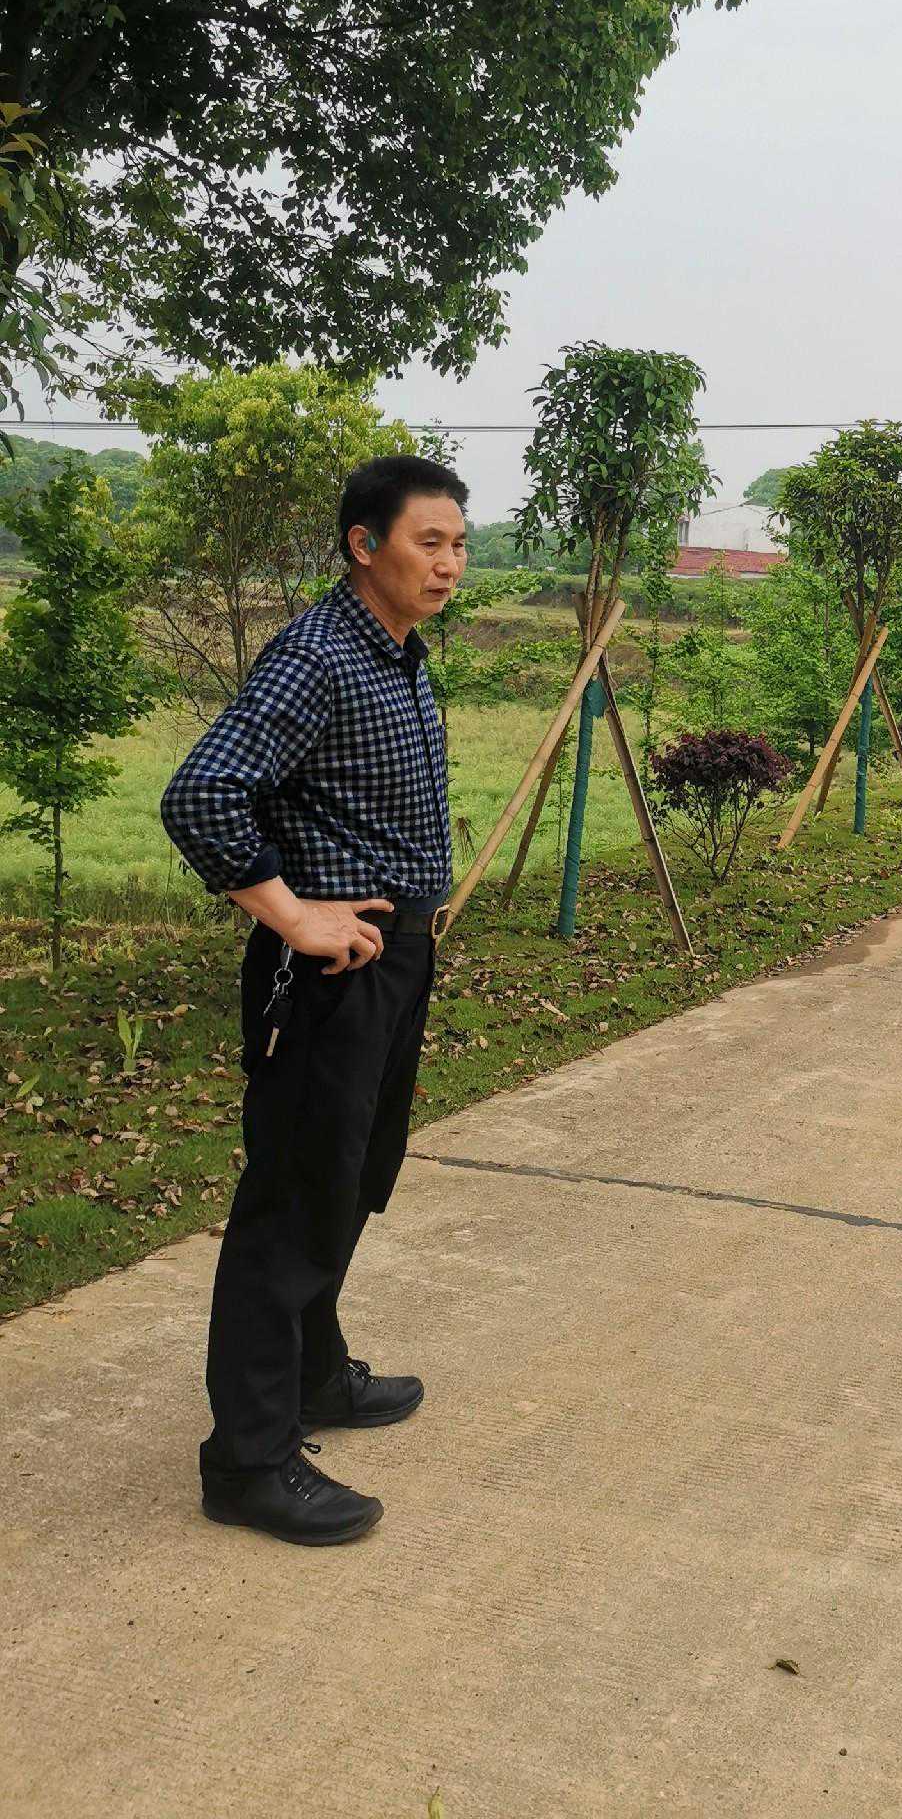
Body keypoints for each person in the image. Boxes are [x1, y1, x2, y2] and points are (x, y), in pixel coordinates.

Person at [160, 454, 468, 1544]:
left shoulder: (398, 653)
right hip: (330, 978)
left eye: (458, 544)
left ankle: (317, 1372)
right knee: (292, 1202)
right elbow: (202, 793)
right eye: (428, 541)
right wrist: (293, 916)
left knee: (349, 1179)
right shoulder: (319, 656)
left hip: (392, 960)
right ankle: (248, 1460)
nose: (449, 563)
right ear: (362, 545)